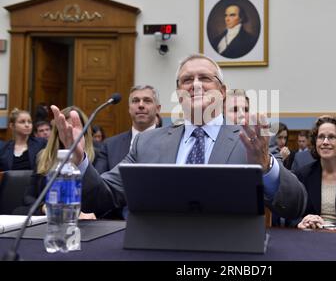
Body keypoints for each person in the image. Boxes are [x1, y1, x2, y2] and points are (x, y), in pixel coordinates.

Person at [51, 54, 308, 219]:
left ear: (223, 91)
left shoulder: (252, 142)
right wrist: (80, 160)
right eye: (186, 80)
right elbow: (102, 198)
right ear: (178, 92)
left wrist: (265, 167)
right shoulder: (147, 143)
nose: (195, 84)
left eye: (205, 78)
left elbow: (295, 205)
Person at [13, 106, 96, 219]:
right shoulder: (42, 156)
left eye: (73, 129)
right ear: (57, 133)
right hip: (48, 219)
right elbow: (28, 197)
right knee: (18, 211)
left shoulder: (97, 156)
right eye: (64, 129)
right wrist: (44, 207)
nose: (69, 133)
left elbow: (98, 199)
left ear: (85, 132)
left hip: (81, 219)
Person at [94, 85, 161, 174]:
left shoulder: (171, 143)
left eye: (147, 101)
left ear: (158, 109)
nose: (141, 105)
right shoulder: (110, 146)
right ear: (129, 109)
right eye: (135, 101)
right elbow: (99, 182)